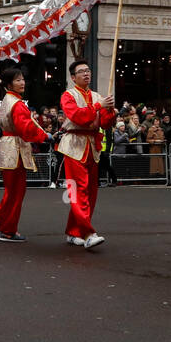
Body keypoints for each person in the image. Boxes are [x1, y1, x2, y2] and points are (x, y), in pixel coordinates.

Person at [57, 59, 115, 249]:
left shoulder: (98, 95)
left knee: (89, 192)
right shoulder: (68, 96)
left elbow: (105, 124)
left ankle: (75, 232)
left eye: (88, 70)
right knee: (78, 190)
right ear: (73, 77)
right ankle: (89, 232)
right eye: (81, 71)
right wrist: (99, 107)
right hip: (74, 145)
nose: (86, 74)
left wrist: (111, 111)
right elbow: (78, 117)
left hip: (92, 146)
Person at [0, 65, 49, 242]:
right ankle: (8, 230)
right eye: (17, 80)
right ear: (9, 84)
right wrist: (44, 136)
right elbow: (26, 127)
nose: (22, 82)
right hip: (15, 148)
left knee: (12, 190)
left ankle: (0, 219)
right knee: (16, 191)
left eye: (22, 79)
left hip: (10, 146)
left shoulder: (9, 100)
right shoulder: (16, 103)